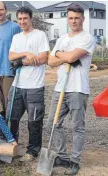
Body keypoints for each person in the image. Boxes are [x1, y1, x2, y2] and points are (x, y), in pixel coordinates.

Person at [47, 4, 96, 175]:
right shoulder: (62, 39)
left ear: (83, 18)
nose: (73, 21)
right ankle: (62, 155)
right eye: (70, 18)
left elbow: (72, 57)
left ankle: (75, 161)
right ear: (67, 19)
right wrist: (63, 55)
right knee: (52, 123)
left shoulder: (87, 38)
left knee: (77, 127)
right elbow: (50, 61)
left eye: (76, 17)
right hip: (60, 87)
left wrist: (61, 55)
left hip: (78, 89)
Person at [7, 6, 50, 162]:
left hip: (34, 87)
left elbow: (43, 58)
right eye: (20, 19)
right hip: (17, 85)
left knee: (34, 120)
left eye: (25, 18)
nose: (22, 21)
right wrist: (26, 54)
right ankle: (11, 147)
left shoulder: (40, 35)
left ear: (31, 18)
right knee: (12, 117)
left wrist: (21, 62)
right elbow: (11, 57)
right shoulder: (17, 37)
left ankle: (33, 151)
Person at [0, 2, 22, 117]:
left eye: (1, 10)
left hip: (8, 72)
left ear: (6, 10)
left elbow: (21, 48)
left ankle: (11, 132)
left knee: (9, 105)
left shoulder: (15, 27)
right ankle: (0, 132)